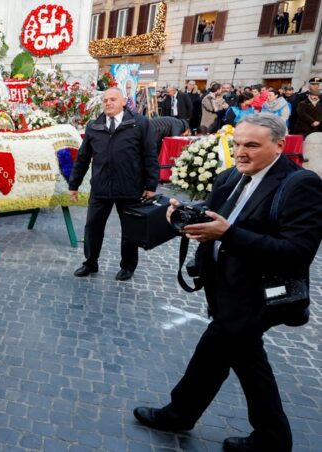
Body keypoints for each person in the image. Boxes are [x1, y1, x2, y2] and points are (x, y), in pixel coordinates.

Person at [133, 113, 322, 452]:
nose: (241, 152)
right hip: (222, 286)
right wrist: (185, 213)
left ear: (279, 146)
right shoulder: (230, 176)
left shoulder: (300, 184)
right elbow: (219, 213)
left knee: (221, 350)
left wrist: (230, 235)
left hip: (257, 294)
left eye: (252, 145)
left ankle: (193, 417)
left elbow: (297, 252)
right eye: (237, 144)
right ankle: (261, 434)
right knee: (239, 357)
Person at [68, 87, 158, 281]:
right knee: (92, 227)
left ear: (124, 101)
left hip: (130, 188)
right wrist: (73, 184)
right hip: (100, 188)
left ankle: (127, 266)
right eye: (105, 100)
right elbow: (83, 158)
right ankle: (90, 262)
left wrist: (151, 186)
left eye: (113, 99)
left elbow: (150, 155)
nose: (108, 103)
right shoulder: (94, 126)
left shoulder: (140, 124)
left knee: (130, 230)